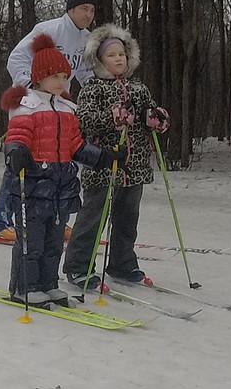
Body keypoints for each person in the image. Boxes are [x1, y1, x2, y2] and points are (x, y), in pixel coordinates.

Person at [0, 35, 113, 308]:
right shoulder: (27, 106)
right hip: (33, 185)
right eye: (54, 76)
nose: (61, 82)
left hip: (61, 186)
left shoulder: (67, 109)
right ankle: (25, 287)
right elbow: (16, 137)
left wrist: (102, 157)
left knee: (54, 242)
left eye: (64, 76)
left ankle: (49, 284)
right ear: (39, 77)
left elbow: (76, 145)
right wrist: (17, 152)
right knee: (32, 242)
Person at [67, 24, 167, 291]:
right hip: (103, 164)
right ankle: (78, 266)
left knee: (127, 219)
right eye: (111, 55)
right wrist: (112, 119)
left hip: (134, 166)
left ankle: (122, 263)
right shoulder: (93, 88)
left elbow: (148, 114)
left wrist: (154, 119)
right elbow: (84, 121)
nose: (119, 59)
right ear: (99, 60)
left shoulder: (139, 88)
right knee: (93, 218)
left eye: (122, 54)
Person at [5, 0, 98, 92]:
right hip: (30, 96)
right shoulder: (49, 30)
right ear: (71, 9)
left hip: (58, 97)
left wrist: (96, 92)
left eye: (92, 10)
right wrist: (31, 84)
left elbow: (85, 72)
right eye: (84, 9)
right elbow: (16, 58)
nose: (88, 15)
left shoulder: (87, 38)